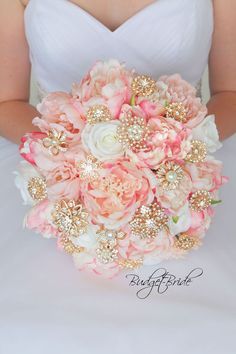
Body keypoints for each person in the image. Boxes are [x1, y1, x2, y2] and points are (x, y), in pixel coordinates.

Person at [0, 1, 235, 353]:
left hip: (187, 171)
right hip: (58, 177)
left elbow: (231, 95)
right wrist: (79, 155)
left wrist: (170, 151)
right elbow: (7, 102)